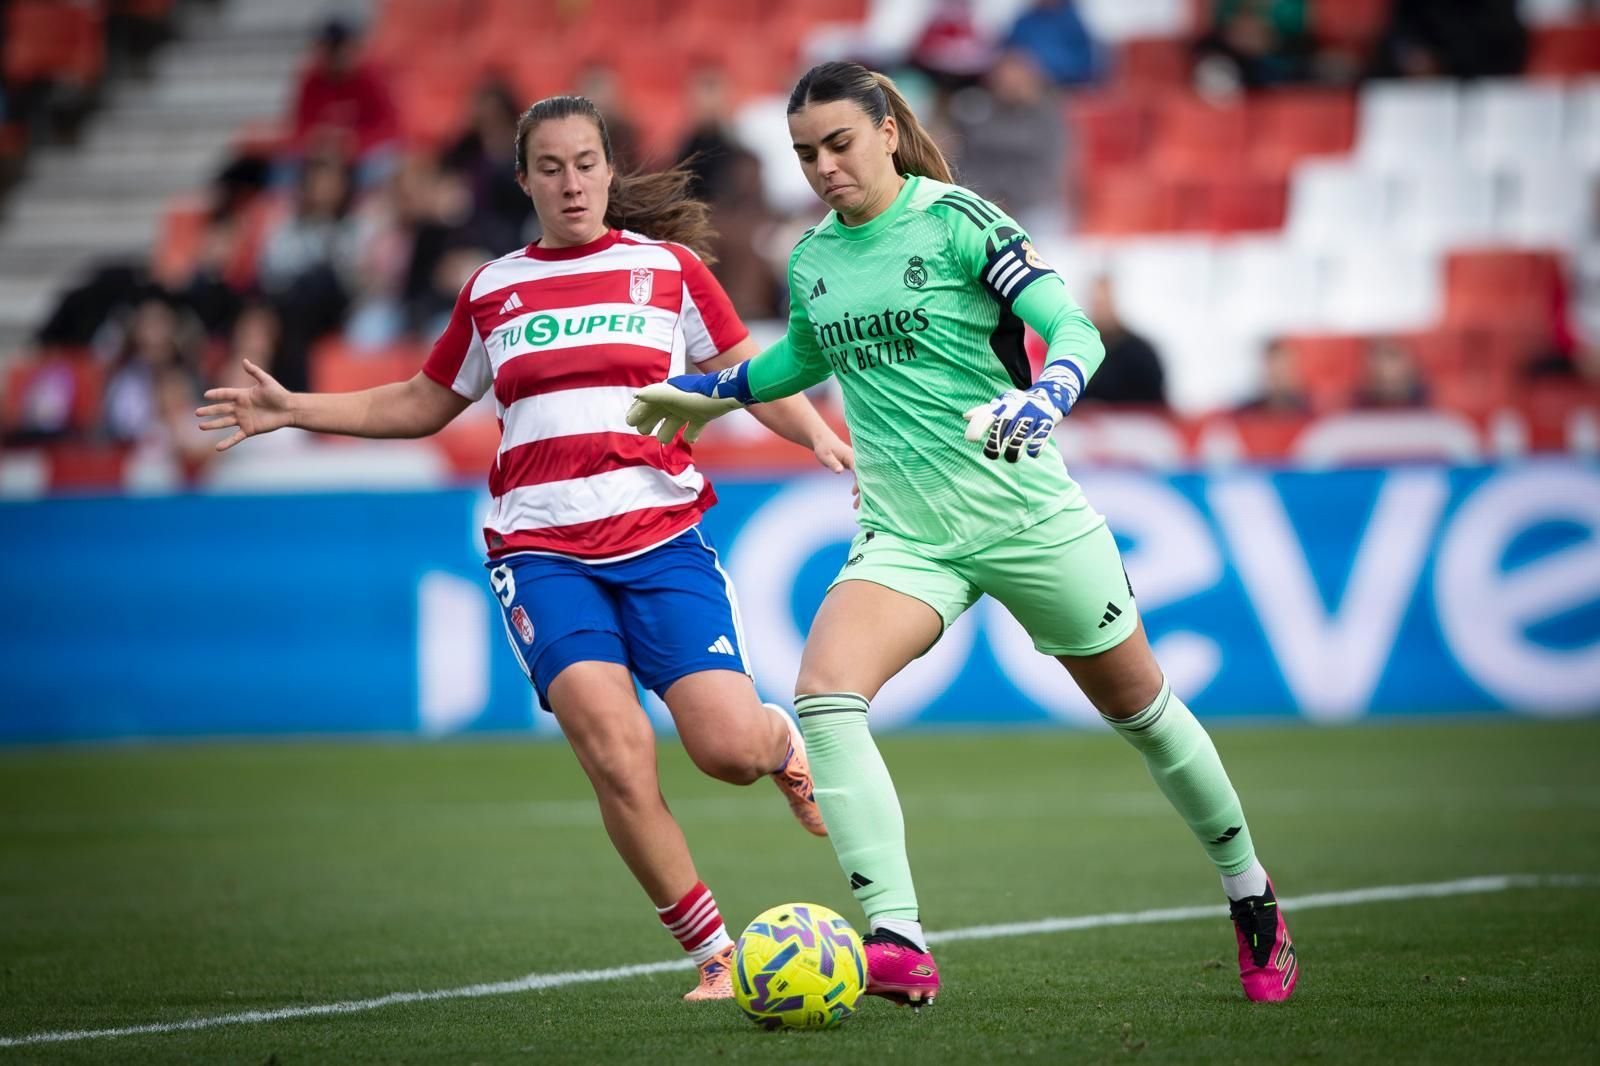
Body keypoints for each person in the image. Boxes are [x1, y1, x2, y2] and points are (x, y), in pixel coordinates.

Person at [627, 61, 1297, 1008]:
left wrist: (1048, 392)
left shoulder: (960, 222)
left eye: (839, 143)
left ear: (887, 132)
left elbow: (1073, 326)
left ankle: (1251, 895)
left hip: (1026, 516)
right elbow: (801, 359)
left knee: (1143, 712)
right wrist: (708, 391)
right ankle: (897, 939)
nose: (823, 166)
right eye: (805, 153)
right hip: (908, 536)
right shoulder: (814, 257)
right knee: (823, 696)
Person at [196, 95, 854, 1002]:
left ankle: (781, 748)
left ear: (609, 170)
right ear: (524, 180)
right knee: (617, 754)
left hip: (661, 541)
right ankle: (715, 954)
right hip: (540, 552)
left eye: (586, 162)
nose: (572, 181)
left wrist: (816, 436)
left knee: (725, 749)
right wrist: (296, 409)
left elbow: (747, 370)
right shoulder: (494, 288)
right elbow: (425, 403)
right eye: (551, 167)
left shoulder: (666, 269)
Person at [1077, 274, 1166, 407]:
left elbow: (1156, 406)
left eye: (1105, 302)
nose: (1101, 310)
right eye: (1097, 303)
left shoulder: (1140, 353)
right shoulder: (1077, 351)